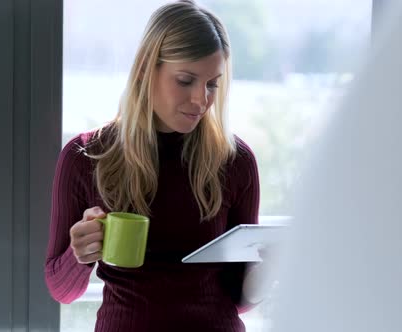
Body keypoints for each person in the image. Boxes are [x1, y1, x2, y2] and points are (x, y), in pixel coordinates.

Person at [44, 1, 269, 331]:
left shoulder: (236, 161)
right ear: (148, 69)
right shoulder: (86, 157)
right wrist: (82, 255)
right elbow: (62, 290)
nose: (201, 100)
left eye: (212, 84)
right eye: (185, 80)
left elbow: (237, 298)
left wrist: (269, 271)